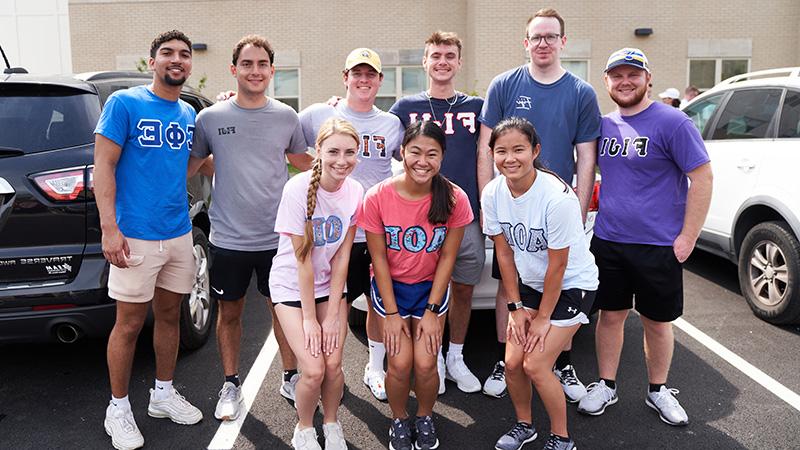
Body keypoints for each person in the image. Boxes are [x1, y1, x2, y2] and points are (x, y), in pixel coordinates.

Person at [577, 48, 712, 427]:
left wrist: (688, 236)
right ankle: (605, 385)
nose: (625, 81)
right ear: (606, 82)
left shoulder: (674, 122)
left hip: (659, 244)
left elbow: (702, 179)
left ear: (647, 78)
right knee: (610, 316)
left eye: (632, 75)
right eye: (616, 75)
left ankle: (658, 390)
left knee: (656, 322)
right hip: (609, 240)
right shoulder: (603, 126)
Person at [478, 7, 601, 401]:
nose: (543, 43)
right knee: (507, 281)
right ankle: (504, 356)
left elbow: (586, 157)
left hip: (556, 209)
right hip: (511, 206)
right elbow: (486, 149)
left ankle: (560, 364)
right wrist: (487, 203)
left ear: (563, 42)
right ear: (525, 42)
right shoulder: (504, 84)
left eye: (551, 37)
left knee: (559, 280)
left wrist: (579, 212)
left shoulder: (581, 92)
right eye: (536, 37)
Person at [188, 35, 312, 421]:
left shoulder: (286, 117)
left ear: (271, 71)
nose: (255, 71)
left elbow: (302, 161)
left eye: (262, 64)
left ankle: (290, 376)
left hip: (277, 237)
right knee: (230, 313)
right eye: (247, 64)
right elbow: (194, 164)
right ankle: (230, 383)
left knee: (282, 310)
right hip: (228, 238)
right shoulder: (211, 118)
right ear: (234, 69)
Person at [94, 30, 203, 450]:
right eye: (167, 53)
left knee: (170, 317)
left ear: (190, 64)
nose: (176, 60)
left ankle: (163, 393)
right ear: (152, 61)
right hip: (134, 236)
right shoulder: (124, 103)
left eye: (183, 54)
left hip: (177, 232)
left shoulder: (188, 114)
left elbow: (188, 167)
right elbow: (103, 166)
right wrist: (109, 227)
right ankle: (117, 409)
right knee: (129, 324)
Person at [483, 117, 597, 450]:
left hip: (574, 284)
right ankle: (525, 425)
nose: (510, 158)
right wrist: (516, 308)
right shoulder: (493, 193)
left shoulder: (557, 198)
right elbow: (503, 255)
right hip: (533, 282)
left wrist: (543, 319)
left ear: (535, 151)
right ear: (492, 154)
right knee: (513, 362)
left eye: (519, 149)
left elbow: (558, 266)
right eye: (501, 151)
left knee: (535, 363)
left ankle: (562, 438)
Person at [389, 30, 492, 395]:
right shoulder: (403, 108)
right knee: (424, 288)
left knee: (463, 287)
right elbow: (368, 136)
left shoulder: (478, 108)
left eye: (449, 55)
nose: (443, 61)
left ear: (459, 62)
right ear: (425, 62)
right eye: (436, 55)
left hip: (465, 216)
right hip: (418, 220)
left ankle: (456, 356)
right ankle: (427, 358)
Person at [298, 48, 405, 402]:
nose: (363, 80)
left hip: (374, 232)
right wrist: (313, 178)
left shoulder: (391, 124)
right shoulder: (319, 114)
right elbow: (286, 141)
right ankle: (330, 371)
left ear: (379, 80)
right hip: (331, 234)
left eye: (370, 74)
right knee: (334, 305)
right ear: (345, 78)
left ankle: (375, 367)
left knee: (376, 304)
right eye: (356, 73)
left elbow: (408, 164)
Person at [361, 121, 473, 450]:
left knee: (425, 363)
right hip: (391, 290)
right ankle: (399, 418)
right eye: (415, 152)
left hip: (429, 290)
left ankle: (424, 416)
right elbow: (378, 259)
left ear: (442, 157)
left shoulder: (455, 198)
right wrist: (392, 315)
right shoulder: (378, 196)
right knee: (398, 363)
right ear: (402, 152)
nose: (422, 161)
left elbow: (448, 258)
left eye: (432, 154)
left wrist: (432, 310)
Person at [269, 117, 363, 450]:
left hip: (329, 287)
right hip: (292, 287)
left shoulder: (356, 191)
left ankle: (332, 422)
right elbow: (303, 261)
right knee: (312, 369)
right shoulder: (297, 189)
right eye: (334, 151)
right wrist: (311, 319)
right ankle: (304, 427)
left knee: (334, 364)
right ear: (318, 151)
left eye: (350, 152)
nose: (342, 160)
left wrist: (335, 313)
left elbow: (342, 258)